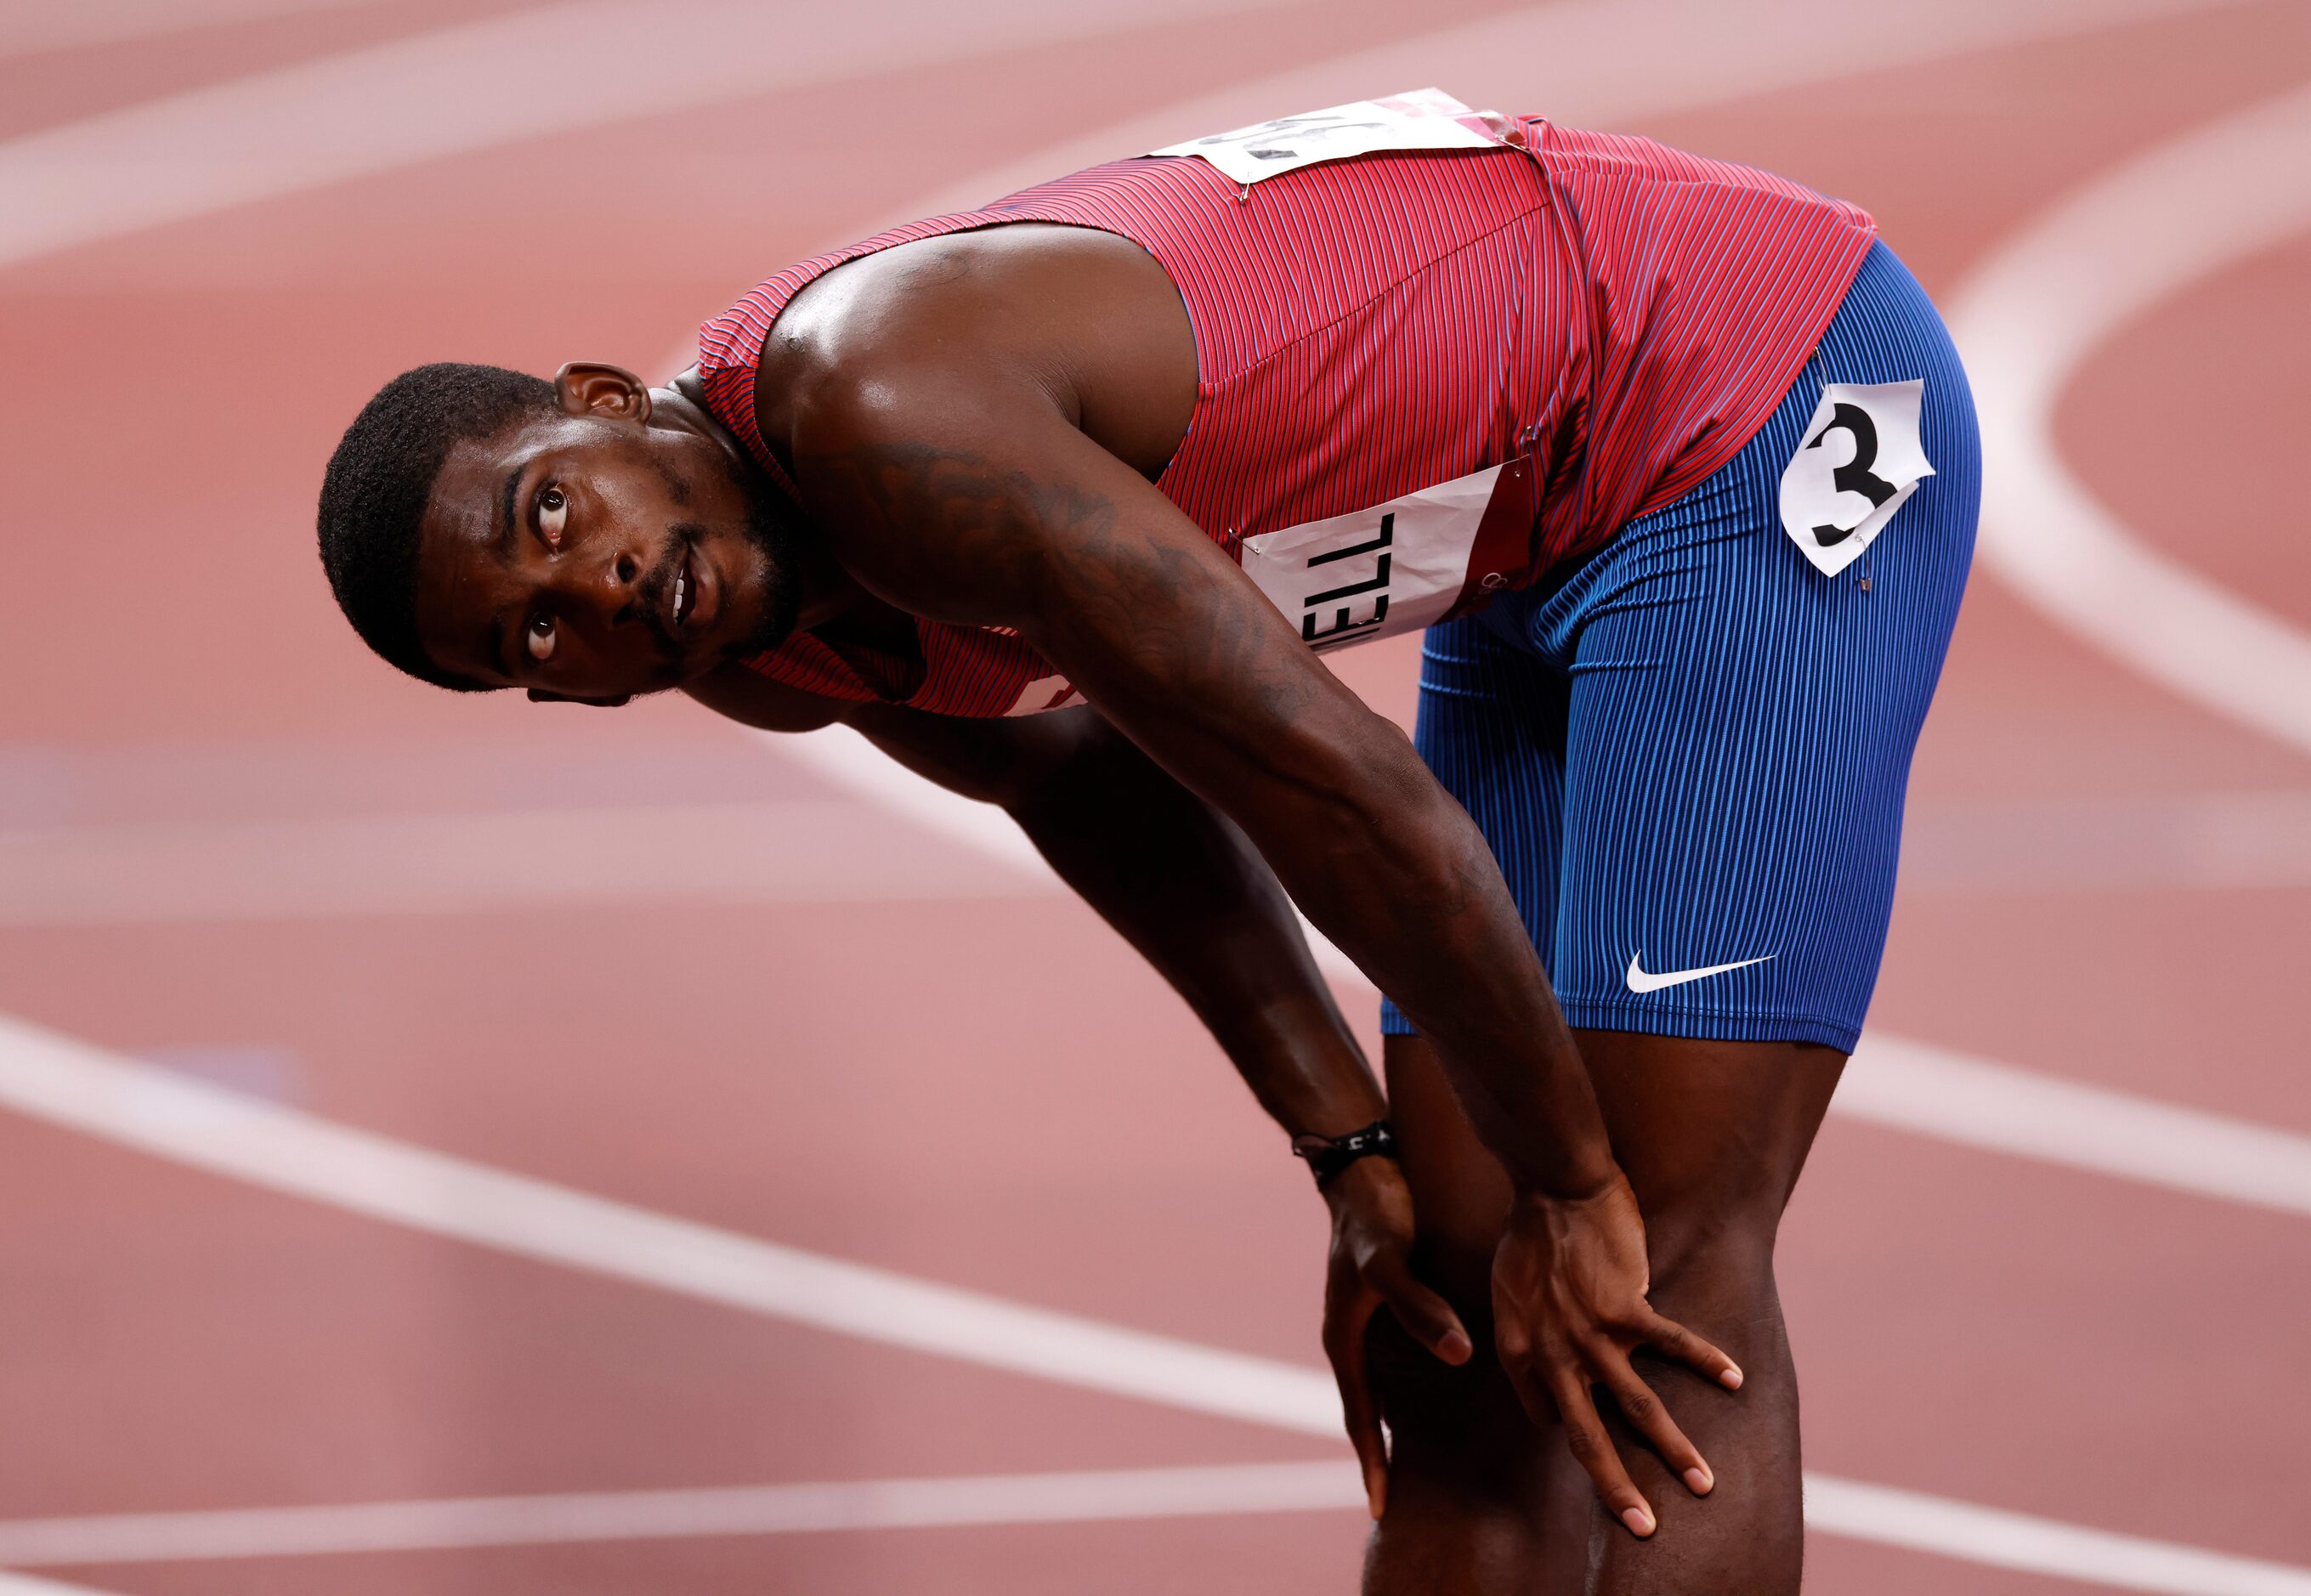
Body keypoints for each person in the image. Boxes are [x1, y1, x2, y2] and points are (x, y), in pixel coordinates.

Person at [314, 94, 1978, 1593]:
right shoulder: (761, 650)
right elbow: (1088, 782)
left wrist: (1569, 1177)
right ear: (567, 701)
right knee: (1456, 1341)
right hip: (1525, 530)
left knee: (1647, 1286)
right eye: (531, 636)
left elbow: (1341, 794)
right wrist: (1350, 1154)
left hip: (1743, 394)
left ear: (603, 402)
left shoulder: (889, 420)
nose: (591, 588)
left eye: (554, 512)